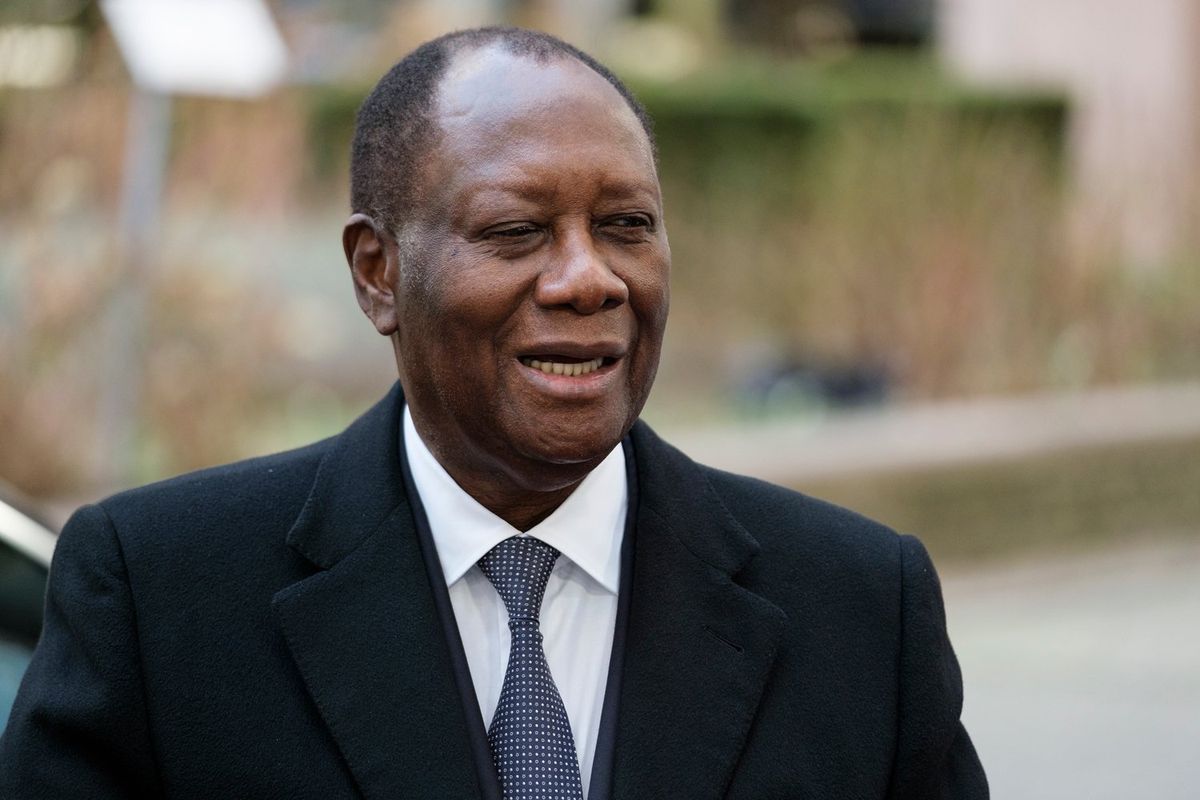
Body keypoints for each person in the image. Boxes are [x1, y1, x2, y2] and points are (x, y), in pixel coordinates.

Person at [0, 26, 987, 800]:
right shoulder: (160, 595)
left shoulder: (861, 608)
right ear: (377, 272)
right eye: (517, 230)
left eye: (626, 226)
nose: (588, 277)